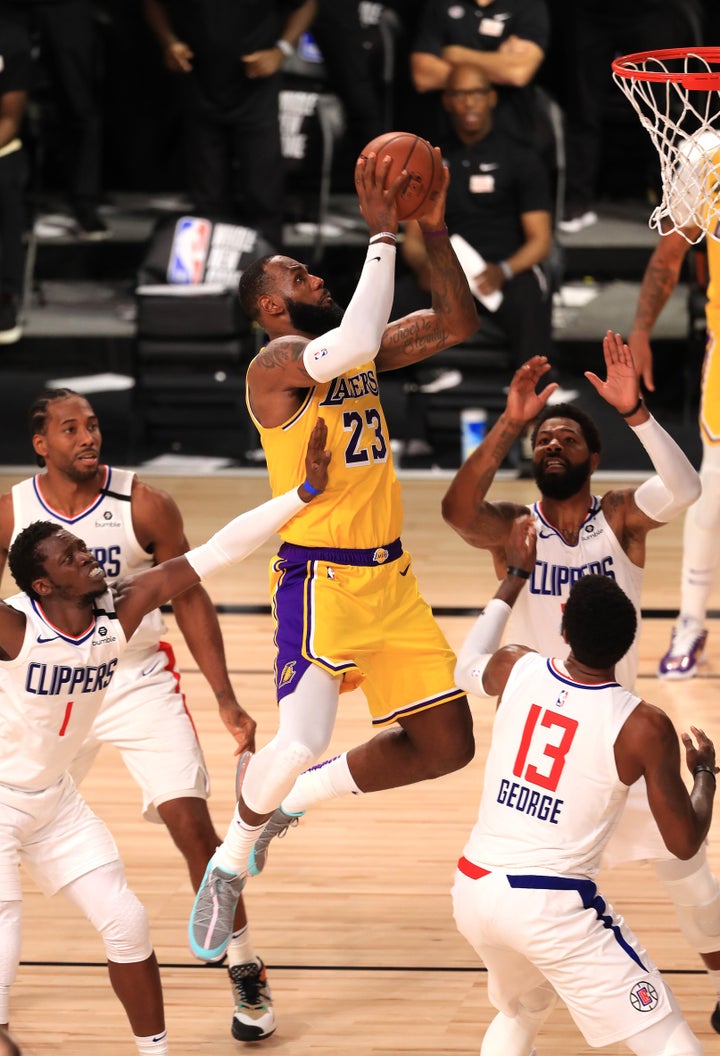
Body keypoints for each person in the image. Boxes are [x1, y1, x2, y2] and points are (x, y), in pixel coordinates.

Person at [187, 141, 480, 963]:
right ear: (274, 311)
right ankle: (230, 857)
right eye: (301, 281)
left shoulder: (359, 347)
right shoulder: (276, 367)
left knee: (447, 746)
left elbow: (456, 321)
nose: (317, 280)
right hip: (318, 578)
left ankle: (291, 802)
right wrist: (382, 235)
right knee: (300, 736)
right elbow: (351, 341)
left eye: (316, 274)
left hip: (390, 577)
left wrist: (433, 226)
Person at [0, 423, 330, 1052]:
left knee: (127, 920)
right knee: (3, 916)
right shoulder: (14, 628)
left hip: (54, 799)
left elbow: (219, 551)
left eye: (81, 547)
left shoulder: (121, 608)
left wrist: (304, 493)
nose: (89, 555)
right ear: (42, 586)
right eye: (71, 557)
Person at [441, 340, 720, 1033]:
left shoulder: (620, 517)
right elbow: (453, 510)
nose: (553, 442)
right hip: (547, 754)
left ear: (592, 459)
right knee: (550, 911)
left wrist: (637, 413)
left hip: (611, 737)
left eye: (567, 436)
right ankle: (526, 1014)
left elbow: (686, 489)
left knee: (692, 879)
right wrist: (508, 421)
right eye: (543, 438)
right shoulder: (511, 530)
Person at [451, 515, 715, 1056]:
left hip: (473, 889)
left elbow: (464, 666)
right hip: (547, 902)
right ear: (627, 643)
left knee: (524, 1008)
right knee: (667, 1037)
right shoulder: (643, 724)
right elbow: (684, 842)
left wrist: (513, 579)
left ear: (564, 627)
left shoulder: (515, 666)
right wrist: (707, 774)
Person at [142, 0, 317, 249]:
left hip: (255, 85)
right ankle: (212, 280)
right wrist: (169, 41)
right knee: (207, 197)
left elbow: (306, 3)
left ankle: (271, 277)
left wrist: (282, 50)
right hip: (200, 82)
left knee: (263, 193)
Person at [628, 221, 717, 682]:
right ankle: (691, 622)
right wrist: (641, 330)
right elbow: (668, 257)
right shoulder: (706, 158)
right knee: (712, 498)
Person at [1, 0, 110, 239]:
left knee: (80, 103)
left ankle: (85, 204)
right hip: (10, 11)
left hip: (66, 8)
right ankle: (19, 205)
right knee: (11, 99)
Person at [410, 0, 550, 149]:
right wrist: (498, 63)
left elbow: (517, 73)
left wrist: (457, 55)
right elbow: (423, 76)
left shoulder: (527, 5)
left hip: (514, 135)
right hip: (448, 141)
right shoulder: (441, 4)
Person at [0, 14, 30, 344]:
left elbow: (9, 118)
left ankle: (4, 296)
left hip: (0, 145)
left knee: (4, 178)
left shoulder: (10, 37)